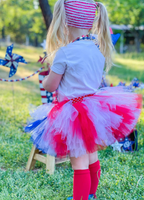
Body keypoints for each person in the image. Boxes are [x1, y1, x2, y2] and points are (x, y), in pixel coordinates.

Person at [25, 0, 142, 199]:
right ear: (91, 22)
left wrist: (45, 81)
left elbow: (51, 86)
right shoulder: (98, 50)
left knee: (79, 164)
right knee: (92, 158)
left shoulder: (64, 53)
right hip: (94, 109)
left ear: (63, 22)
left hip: (73, 115)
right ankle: (91, 195)